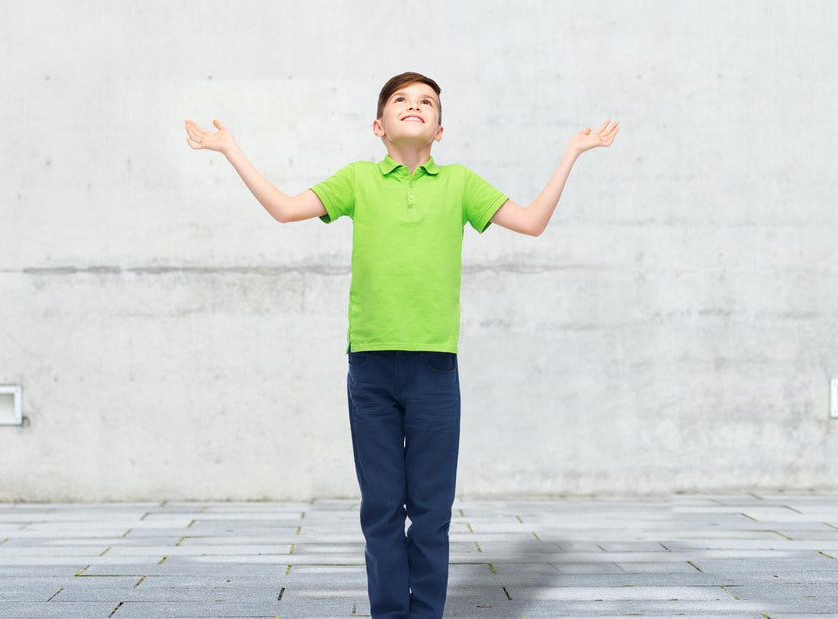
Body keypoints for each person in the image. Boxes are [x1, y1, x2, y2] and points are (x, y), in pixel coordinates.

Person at [185, 71, 618, 618]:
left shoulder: (459, 183)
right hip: (370, 368)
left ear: (440, 129)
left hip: (436, 370)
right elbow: (284, 207)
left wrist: (571, 154)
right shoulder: (358, 181)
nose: (415, 107)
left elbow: (531, 221)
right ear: (378, 124)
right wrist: (230, 149)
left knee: (432, 511)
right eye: (401, 100)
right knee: (383, 509)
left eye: (427, 103)